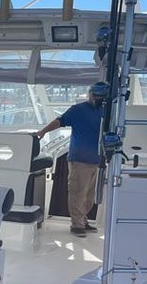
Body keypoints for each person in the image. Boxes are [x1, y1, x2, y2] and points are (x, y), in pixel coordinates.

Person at [37, 82, 106, 237]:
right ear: (90, 94)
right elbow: (60, 121)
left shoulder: (105, 112)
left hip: (97, 160)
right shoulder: (78, 110)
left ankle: (83, 220)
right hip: (80, 159)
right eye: (96, 95)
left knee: (89, 195)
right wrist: (43, 131)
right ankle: (77, 224)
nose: (98, 98)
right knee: (78, 193)